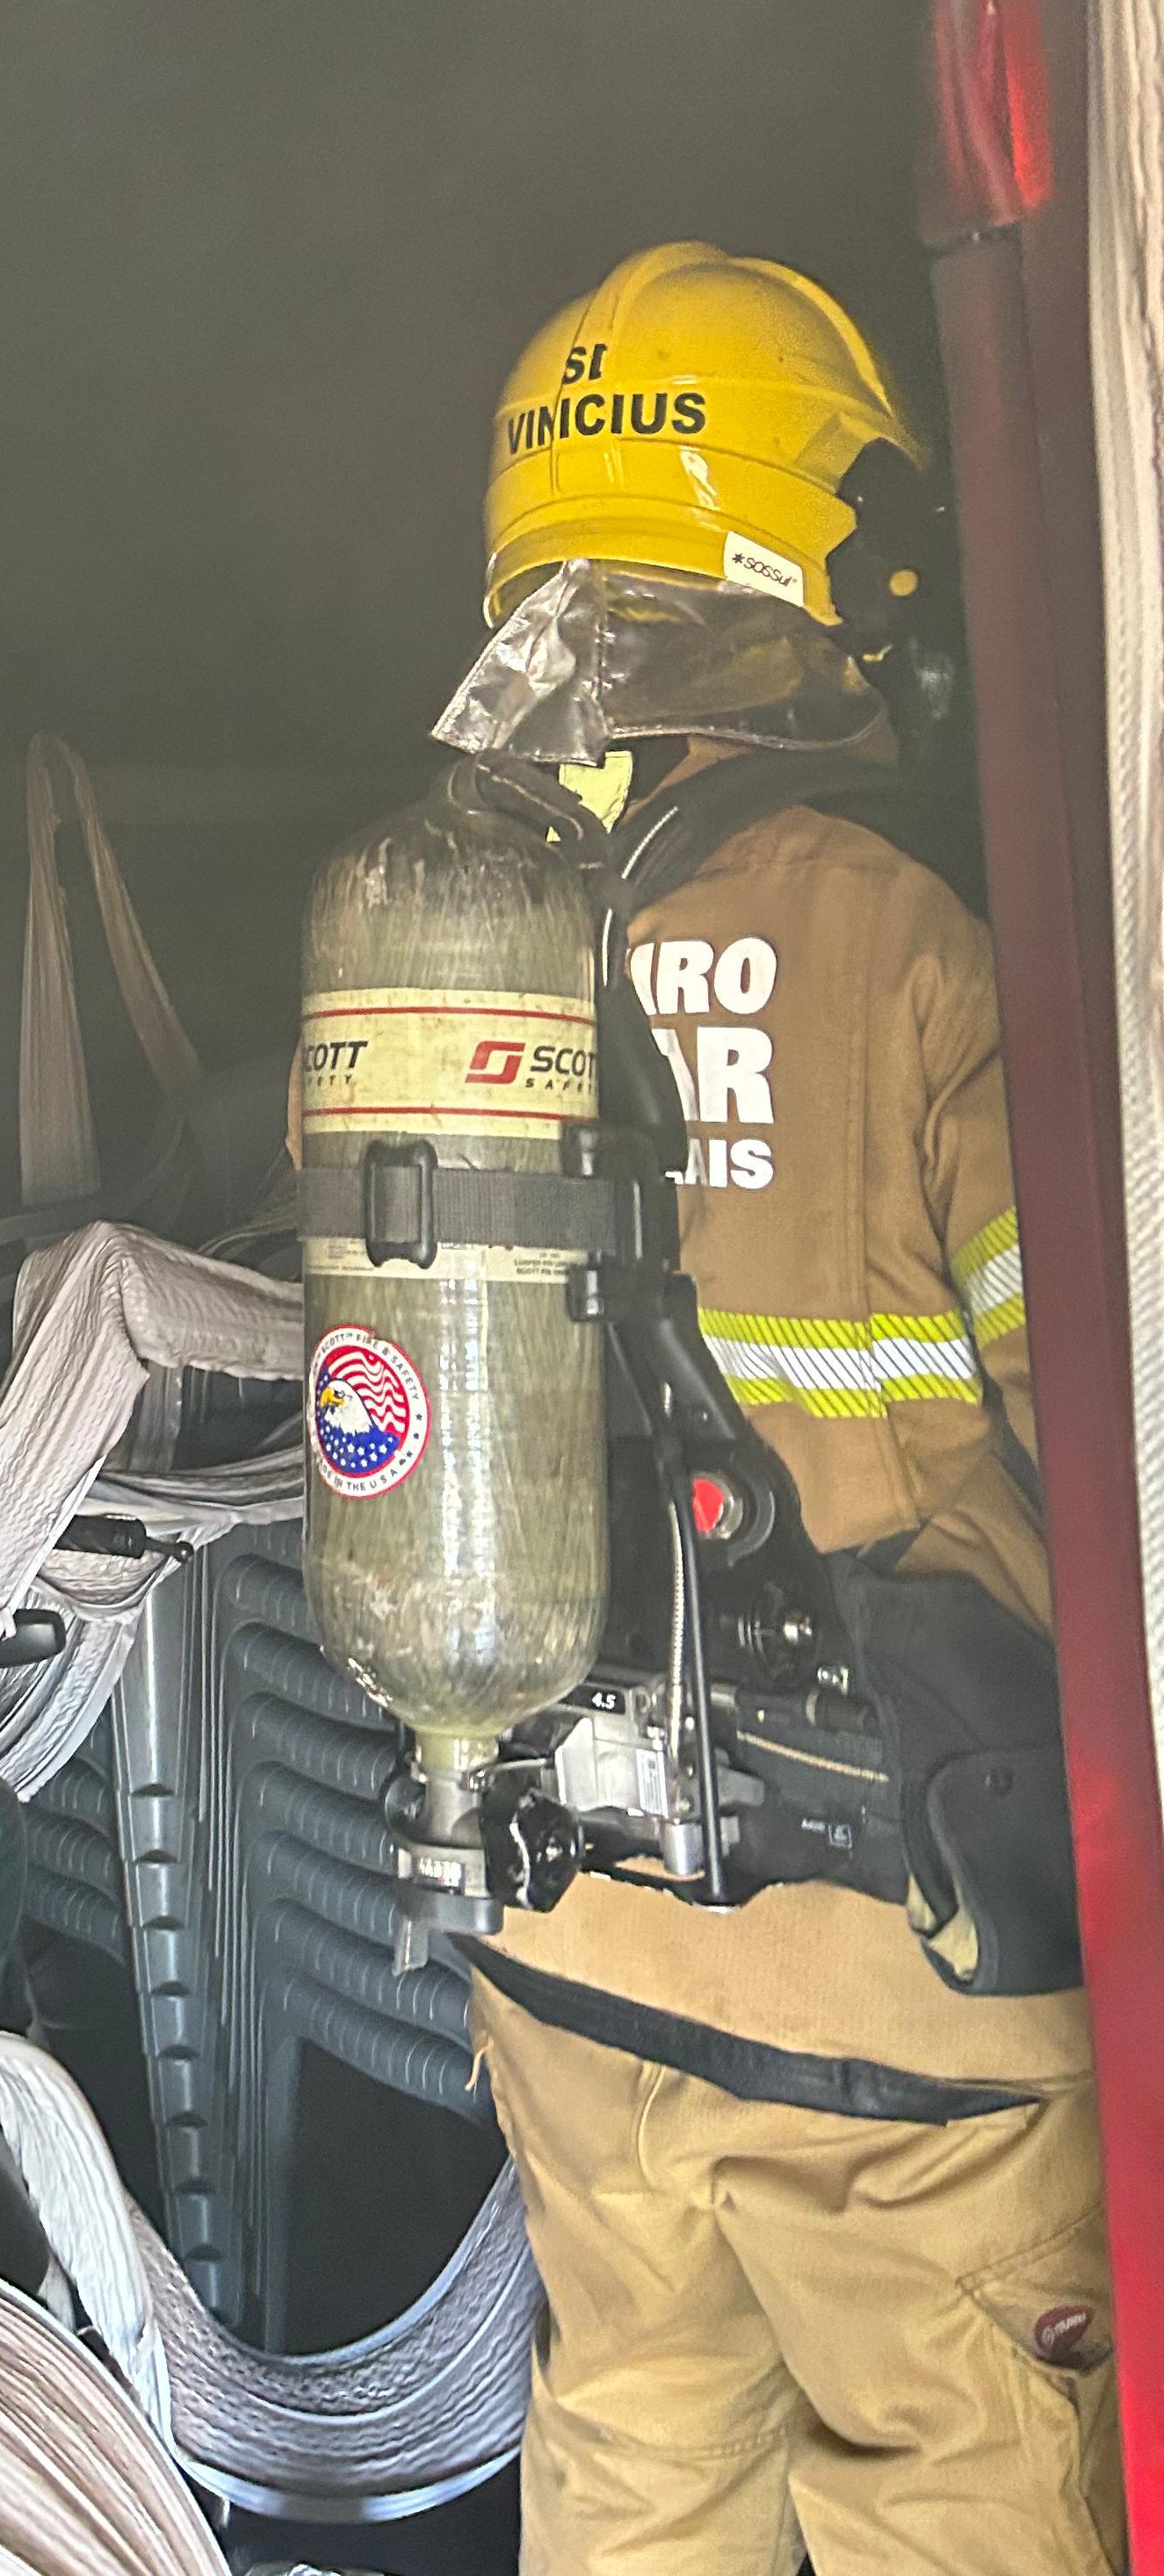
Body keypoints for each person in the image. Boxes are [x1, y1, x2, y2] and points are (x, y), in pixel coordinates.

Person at [444, 243, 1124, 2574]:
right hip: (905, 1967)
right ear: (792, 560)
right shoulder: (916, 941)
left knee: (633, 2484)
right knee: (968, 2504)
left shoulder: (451, 953)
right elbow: (1103, 1455)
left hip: (569, 1944)